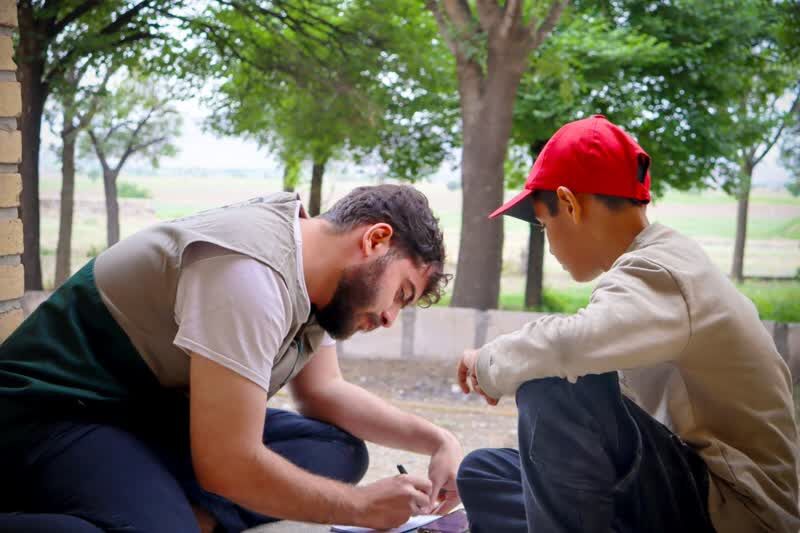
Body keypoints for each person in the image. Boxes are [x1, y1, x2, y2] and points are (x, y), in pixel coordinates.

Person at [0, 184, 463, 532]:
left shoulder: (319, 280)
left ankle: (166, 508)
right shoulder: (250, 273)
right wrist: (359, 508)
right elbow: (227, 462)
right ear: (375, 240)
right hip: (53, 414)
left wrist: (437, 440)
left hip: (145, 418)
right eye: (401, 294)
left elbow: (324, 393)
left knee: (336, 449)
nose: (389, 318)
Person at [455, 115, 799, 532]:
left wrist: (487, 364)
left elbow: (568, 347)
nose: (550, 244)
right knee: (484, 473)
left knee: (555, 390)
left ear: (569, 204)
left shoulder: (662, 271)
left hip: (736, 509)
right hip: (685, 492)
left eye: (545, 226)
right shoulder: (654, 270)